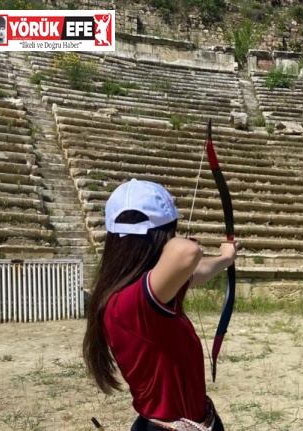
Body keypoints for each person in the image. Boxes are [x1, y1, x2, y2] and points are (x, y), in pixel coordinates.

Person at [82, 179, 238, 431]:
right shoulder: (131, 303)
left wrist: (225, 258)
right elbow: (186, 253)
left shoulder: (141, 293)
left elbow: (195, 271)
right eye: (170, 232)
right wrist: (182, 245)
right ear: (160, 237)